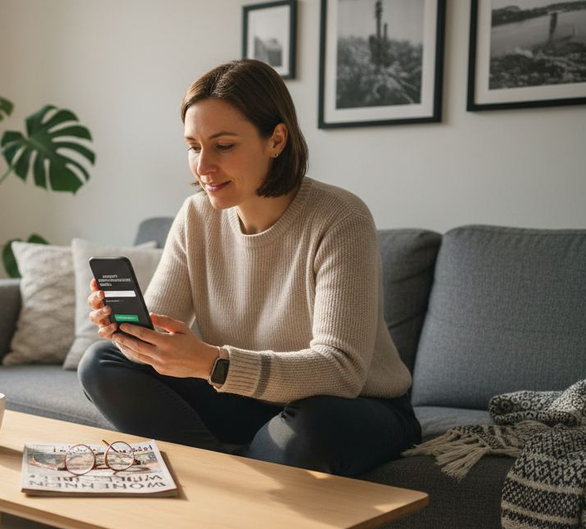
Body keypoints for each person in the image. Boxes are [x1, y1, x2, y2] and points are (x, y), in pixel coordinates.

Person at [77, 59, 419, 477]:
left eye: (223, 146)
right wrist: (128, 331)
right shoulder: (196, 216)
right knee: (102, 361)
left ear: (276, 139)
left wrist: (213, 364)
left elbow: (341, 370)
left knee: (312, 429)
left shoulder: (340, 218)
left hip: (354, 407)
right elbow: (158, 335)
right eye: (193, 146)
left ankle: (218, 484)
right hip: (246, 400)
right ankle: (228, 476)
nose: (203, 166)